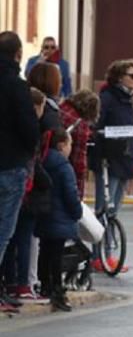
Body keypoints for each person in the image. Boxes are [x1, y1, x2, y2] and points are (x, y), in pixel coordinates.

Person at [90, 59, 133, 273]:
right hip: (108, 161)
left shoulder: (129, 101)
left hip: (125, 160)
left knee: (114, 210)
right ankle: (99, 256)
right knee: (104, 209)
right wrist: (99, 151)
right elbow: (96, 127)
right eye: (132, 76)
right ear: (119, 77)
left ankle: (107, 254)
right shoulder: (107, 99)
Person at [0, 31, 40, 310]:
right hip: (11, 165)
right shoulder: (17, 87)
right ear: (18, 55)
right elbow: (29, 129)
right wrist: (29, 151)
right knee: (3, 231)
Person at [34, 128, 80, 312]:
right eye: (70, 144)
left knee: (44, 251)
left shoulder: (42, 161)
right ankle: (56, 289)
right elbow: (71, 194)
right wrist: (77, 212)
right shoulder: (64, 167)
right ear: (62, 145)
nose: (71, 148)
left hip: (44, 215)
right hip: (60, 219)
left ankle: (44, 284)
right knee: (56, 255)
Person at [59, 90, 100, 197]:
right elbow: (79, 164)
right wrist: (79, 195)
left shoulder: (61, 109)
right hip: (66, 171)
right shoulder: (80, 125)